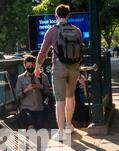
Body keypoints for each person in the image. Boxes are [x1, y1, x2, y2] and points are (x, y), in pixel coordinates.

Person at [35, 4, 83, 141]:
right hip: (74, 67)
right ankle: (69, 125)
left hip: (59, 67)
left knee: (60, 100)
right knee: (70, 97)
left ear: (56, 16)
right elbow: (81, 51)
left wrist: (38, 67)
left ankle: (61, 132)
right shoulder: (77, 30)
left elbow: (43, 51)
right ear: (68, 15)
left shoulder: (52, 31)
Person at [15, 55, 50, 130]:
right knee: (30, 127)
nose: (30, 67)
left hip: (40, 108)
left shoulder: (43, 76)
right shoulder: (20, 78)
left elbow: (48, 91)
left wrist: (40, 86)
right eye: (28, 66)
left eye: (32, 65)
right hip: (26, 108)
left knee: (40, 129)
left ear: (36, 65)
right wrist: (26, 89)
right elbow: (18, 96)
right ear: (25, 66)